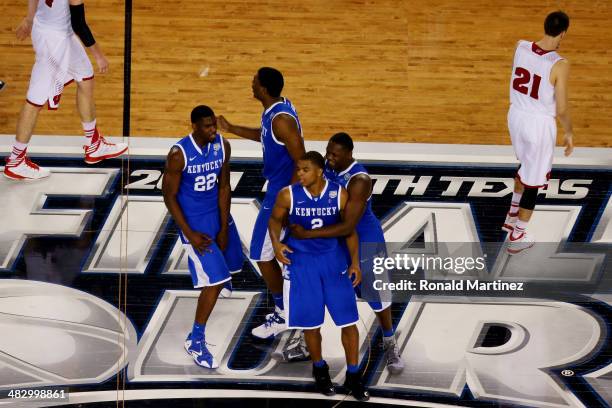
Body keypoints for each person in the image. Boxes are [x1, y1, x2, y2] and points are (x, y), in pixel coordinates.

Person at [290, 132, 404, 374]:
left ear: (349, 155)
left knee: (377, 296)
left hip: (363, 239)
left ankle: (389, 341)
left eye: (335, 155)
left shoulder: (359, 179)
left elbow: (348, 225)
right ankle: (306, 338)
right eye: (328, 152)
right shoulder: (326, 166)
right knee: (318, 289)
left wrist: (307, 234)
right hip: (335, 242)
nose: (329, 158)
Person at [269, 151, 369, 401]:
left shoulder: (338, 193)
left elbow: (350, 231)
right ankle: (320, 369)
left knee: (349, 322)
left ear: (319, 171)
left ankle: (354, 376)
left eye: (304, 170)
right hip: (301, 264)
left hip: (333, 262)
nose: (299, 174)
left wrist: (355, 262)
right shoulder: (288, 194)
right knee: (311, 325)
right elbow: (274, 220)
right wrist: (276, 244)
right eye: (298, 169)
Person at [218, 67, 305, 338]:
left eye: (254, 81)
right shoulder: (276, 109)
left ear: (264, 89)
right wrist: (232, 128)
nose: (251, 83)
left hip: (282, 194)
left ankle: (284, 313)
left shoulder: (281, 119)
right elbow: (265, 136)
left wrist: (288, 200)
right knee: (276, 254)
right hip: (279, 191)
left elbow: (301, 159)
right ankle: (290, 308)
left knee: (260, 254)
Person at [5, 0, 127, 181]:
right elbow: (79, 24)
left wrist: (30, 19)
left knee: (85, 78)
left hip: (58, 32)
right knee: (35, 101)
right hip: (53, 42)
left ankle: (94, 145)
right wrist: (99, 56)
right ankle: (16, 161)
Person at [162, 105, 237, 369]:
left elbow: (224, 185)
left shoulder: (222, 146)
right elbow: (168, 196)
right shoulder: (178, 154)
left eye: (213, 125)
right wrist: (189, 233)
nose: (212, 130)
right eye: (207, 126)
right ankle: (196, 339)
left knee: (235, 262)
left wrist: (225, 225)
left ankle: (220, 279)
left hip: (216, 216)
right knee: (216, 281)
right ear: (194, 126)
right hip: (195, 225)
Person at [504, 11, 574, 254]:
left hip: (516, 116)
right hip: (538, 125)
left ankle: (512, 212)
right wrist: (569, 132)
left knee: (525, 165)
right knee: (533, 182)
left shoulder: (520, 46)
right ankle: (518, 234)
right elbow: (562, 107)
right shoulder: (560, 64)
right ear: (563, 33)